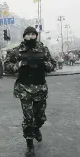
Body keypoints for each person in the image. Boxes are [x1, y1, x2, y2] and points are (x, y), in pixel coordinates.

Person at [4, 26, 56, 157]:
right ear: (24, 36)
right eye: (28, 34)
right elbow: (6, 66)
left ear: (36, 36)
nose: (31, 37)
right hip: (24, 89)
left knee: (40, 117)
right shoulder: (16, 51)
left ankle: (37, 128)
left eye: (33, 34)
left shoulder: (43, 49)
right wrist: (18, 65)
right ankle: (29, 145)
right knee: (28, 119)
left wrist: (46, 65)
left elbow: (53, 64)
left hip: (40, 89)